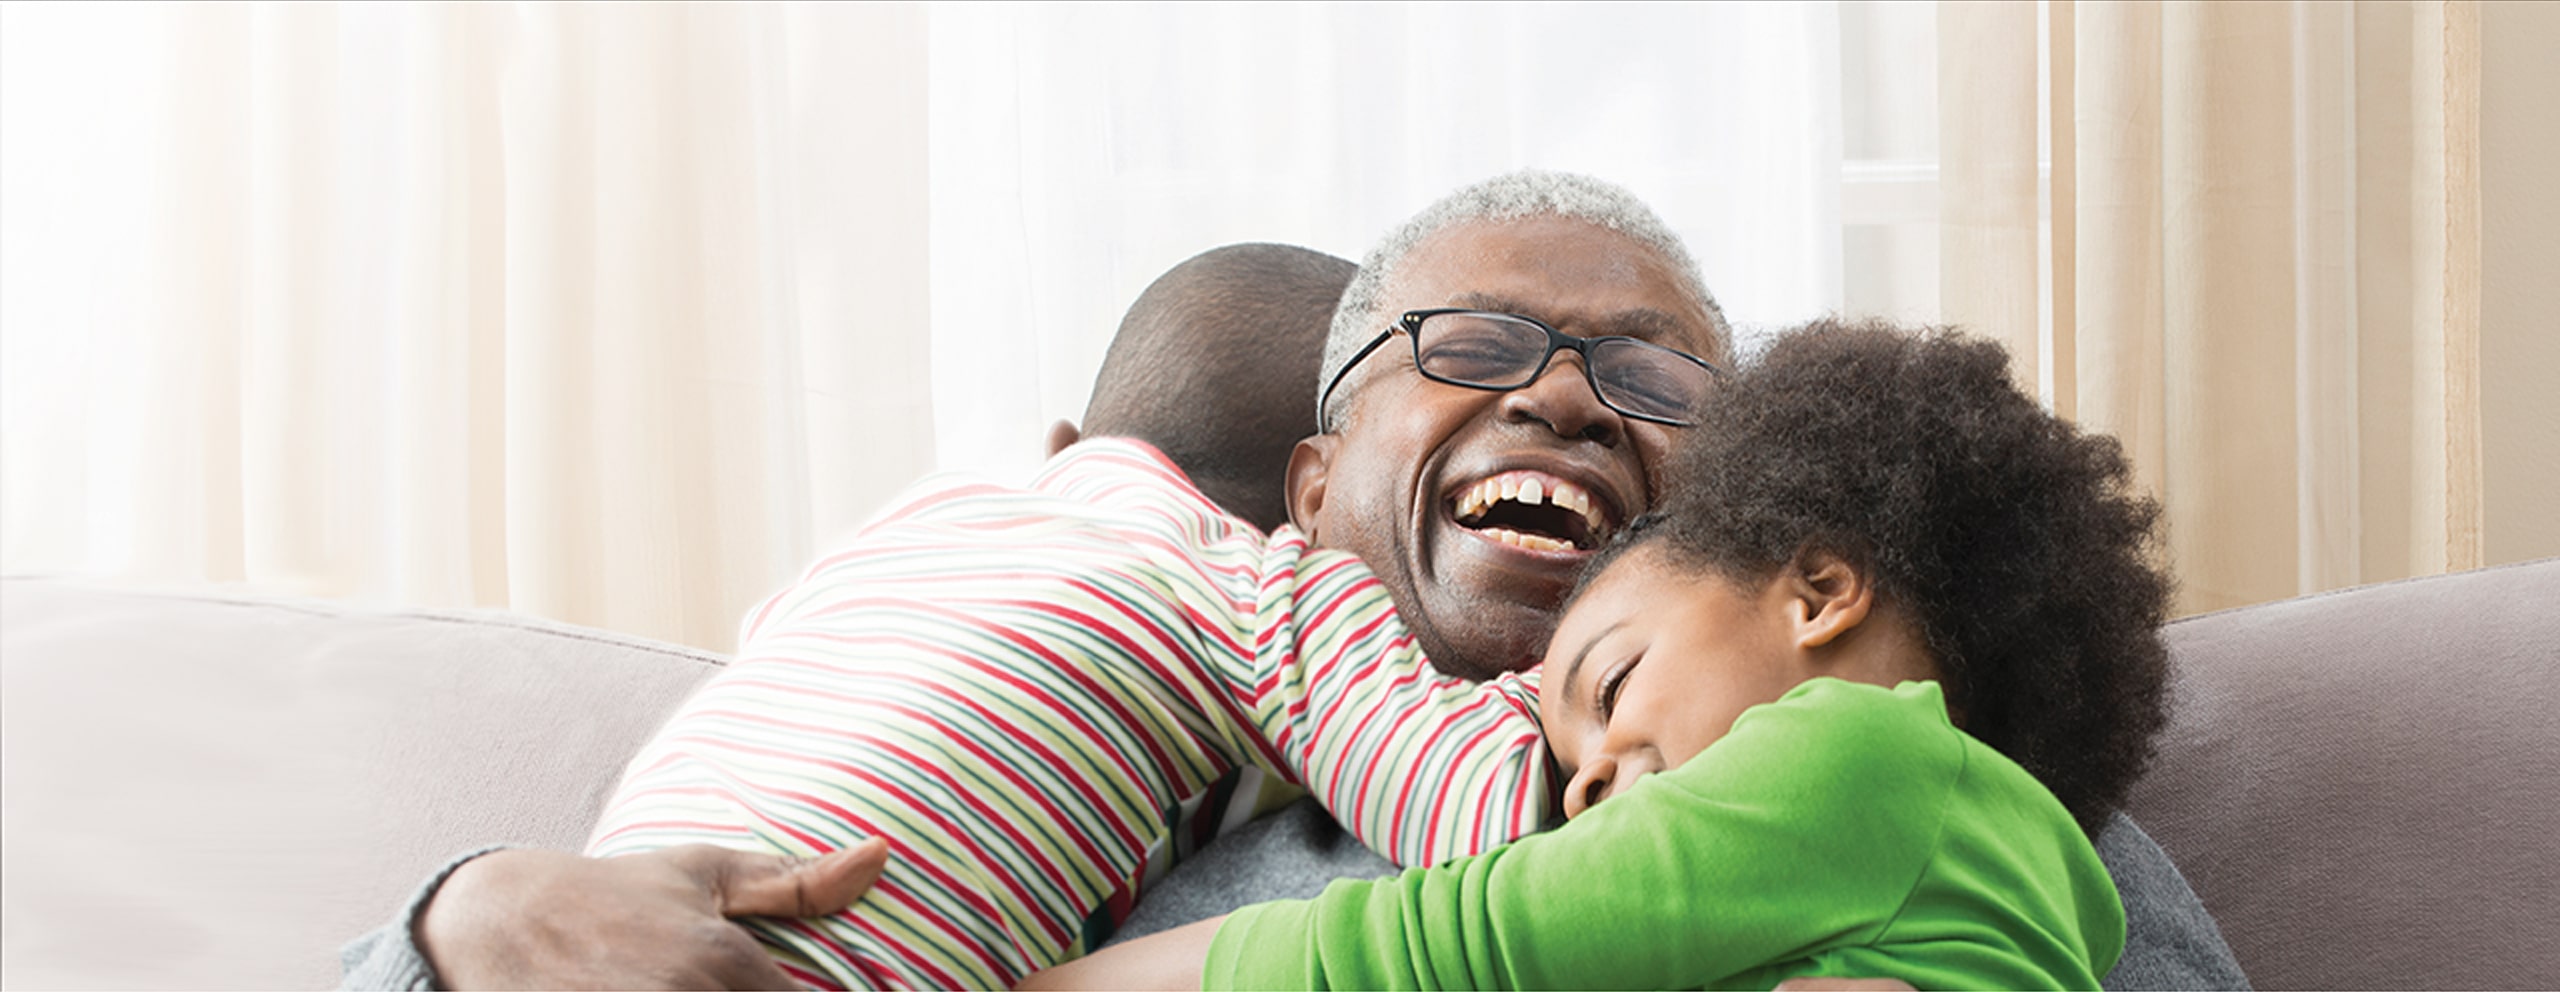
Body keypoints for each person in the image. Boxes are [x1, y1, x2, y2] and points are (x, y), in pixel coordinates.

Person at [350, 172, 2246, 990]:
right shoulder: (1098, 740)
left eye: (1658, 379)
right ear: (1315, 482)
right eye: (1479, 341)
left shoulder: (1939, 779)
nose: (1571, 395)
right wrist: (464, 925)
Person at [1024, 319, 2169, 990]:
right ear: (1310, 485)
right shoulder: (2030, 879)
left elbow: (1440, 944)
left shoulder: (1859, 758)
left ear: (1818, 593)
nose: (1583, 786)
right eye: (1570, 774)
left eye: (1612, 681)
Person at [578, 243, 1593, 985]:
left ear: (1068, 439)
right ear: (1314, 495)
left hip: (610, 916)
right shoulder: (1262, 587)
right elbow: (1482, 807)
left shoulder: (918, 521)